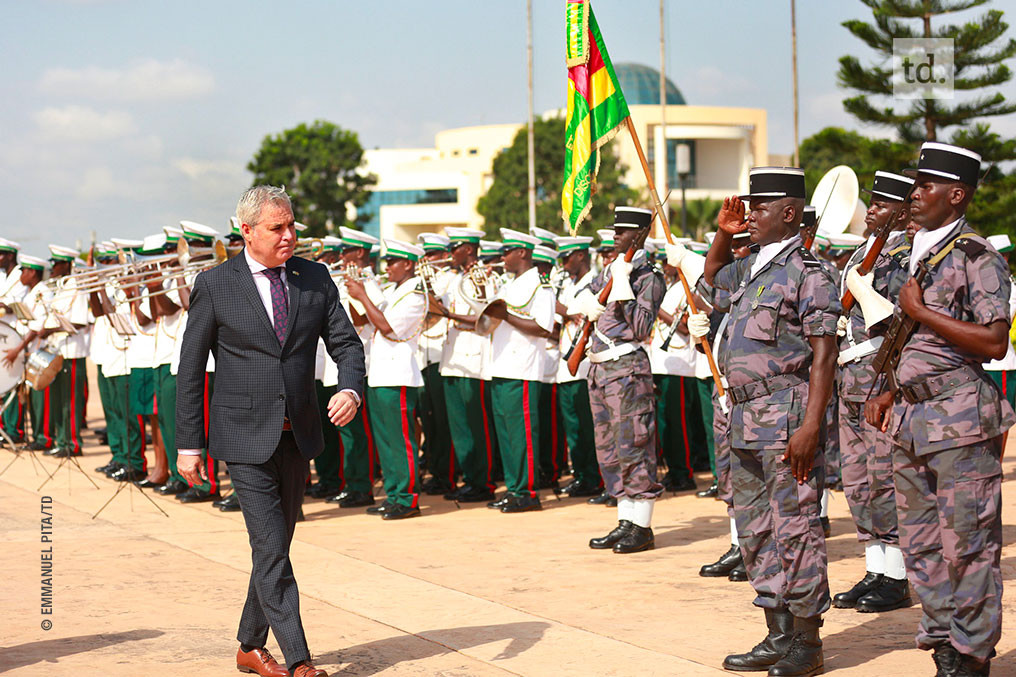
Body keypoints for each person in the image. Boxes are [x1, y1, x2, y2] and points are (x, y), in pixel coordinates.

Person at [176, 185, 364, 677]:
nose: (289, 236)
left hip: (297, 434)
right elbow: (191, 369)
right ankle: (300, 660)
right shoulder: (216, 284)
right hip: (243, 436)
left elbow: (347, 344)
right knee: (270, 547)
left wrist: (350, 390)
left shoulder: (314, 277)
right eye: (277, 228)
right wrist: (188, 444)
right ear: (247, 231)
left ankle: (247, 645)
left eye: (292, 225)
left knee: (276, 545)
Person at [865, 143, 1013, 677]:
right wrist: (887, 385)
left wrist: (920, 310)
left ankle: (972, 653)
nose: (914, 194)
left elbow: (994, 342)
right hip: (911, 418)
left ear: (957, 195)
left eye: (926, 186)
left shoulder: (977, 257)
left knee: (968, 544)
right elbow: (909, 337)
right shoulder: (920, 252)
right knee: (920, 542)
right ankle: (944, 639)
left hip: (960, 420)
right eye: (914, 184)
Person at [701, 167, 840, 676]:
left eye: (759, 209)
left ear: (788, 214)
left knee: (796, 527)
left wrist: (810, 426)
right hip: (743, 418)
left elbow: (825, 357)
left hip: (786, 418)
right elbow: (710, 282)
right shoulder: (753, 267)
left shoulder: (810, 272)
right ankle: (776, 633)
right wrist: (723, 232)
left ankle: (807, 643)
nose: (750, 217)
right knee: (755, 528)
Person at [834, 171, 914, 614]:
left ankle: (897, 577)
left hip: (879, 372)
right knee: (858, 478)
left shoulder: (904, 255)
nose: (872, 211)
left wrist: (867, 297)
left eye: (883, 206)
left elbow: (903, 319)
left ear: (902, 212)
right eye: (873, 203)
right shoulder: (858, 252)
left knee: (884, 475)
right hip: (849, 375)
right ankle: (875, 567)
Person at [570, 206, 665, 553]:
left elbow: (641, 328)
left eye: (621, 232)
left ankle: (642, 526)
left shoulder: (648, 277)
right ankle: (625, 518)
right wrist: (587, 303)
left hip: (627, 370)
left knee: (634, 446)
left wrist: (623, 286)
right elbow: (582, 298)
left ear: (638, 236)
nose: (614, 236)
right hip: (599, 370)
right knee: (609, 449)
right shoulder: (612, 269)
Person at [346, 238, 428, 520]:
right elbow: (364, 323)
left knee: (400, 441)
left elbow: (387, 327)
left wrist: (363, 296)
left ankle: (407, 498)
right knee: (386, 441)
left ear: (407, 264)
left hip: (399, 376)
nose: (387, 267)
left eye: (392, 262)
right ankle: (393, 494)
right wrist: (354, 296)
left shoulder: (415, 295)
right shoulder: (395, 291)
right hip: (381, 375)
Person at [485, 228, 556, 513]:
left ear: (523, 253)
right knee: (506, 433)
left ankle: (527, 492)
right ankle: (514, 489)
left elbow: (543, 328)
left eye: (507, 251)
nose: (502, 256)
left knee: (523, 434)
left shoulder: (541, 284)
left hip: (523, 368)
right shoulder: (508, 284)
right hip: (501, 366)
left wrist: (507, 316)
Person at [437, 227, 498, 503]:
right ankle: (469, 477)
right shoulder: (453, 279)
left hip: (474, 355)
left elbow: (487, 317)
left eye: (456, 247)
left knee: (476, 424)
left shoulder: (485, 277)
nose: (451, 252)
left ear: (470, 249)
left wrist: (448, 313)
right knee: (459, 426)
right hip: (452, 357)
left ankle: (483, 481)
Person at [553, 235, 603, 499]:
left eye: (567, 257)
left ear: (581, 255)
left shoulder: (593, 283)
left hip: (585, 367)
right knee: (573, 429)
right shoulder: (568, 284)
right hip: (566, 364)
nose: (563, 263)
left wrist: (550, 299)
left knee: (588, 427)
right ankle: (582, 476)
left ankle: (596, 477)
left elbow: (575, 311)